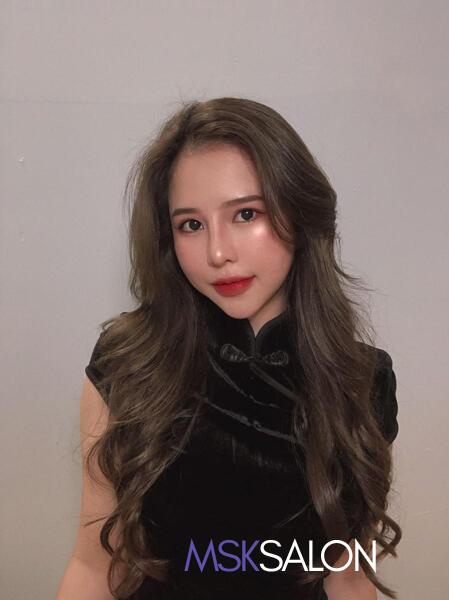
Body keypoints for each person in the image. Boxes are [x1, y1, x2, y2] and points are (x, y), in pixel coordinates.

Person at [57, 97, 401, 600]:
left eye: (245, 213)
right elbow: (93, 568)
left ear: (300, 213)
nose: (218, 252)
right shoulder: (128, 364)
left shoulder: (362, 380)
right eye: (191, 225)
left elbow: (348, 577)